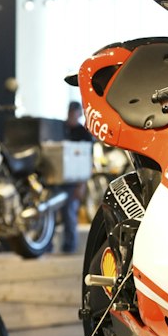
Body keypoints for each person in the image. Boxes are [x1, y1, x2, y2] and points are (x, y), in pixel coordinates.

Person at [60, 101, 92, 254]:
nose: (72, 115)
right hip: (58, 179)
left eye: (74, 112)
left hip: (74, 180)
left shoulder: (83, 133)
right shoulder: (60, 129)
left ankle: (69, 246)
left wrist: (82, 184)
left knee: (70, 214)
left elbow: (86, 159)